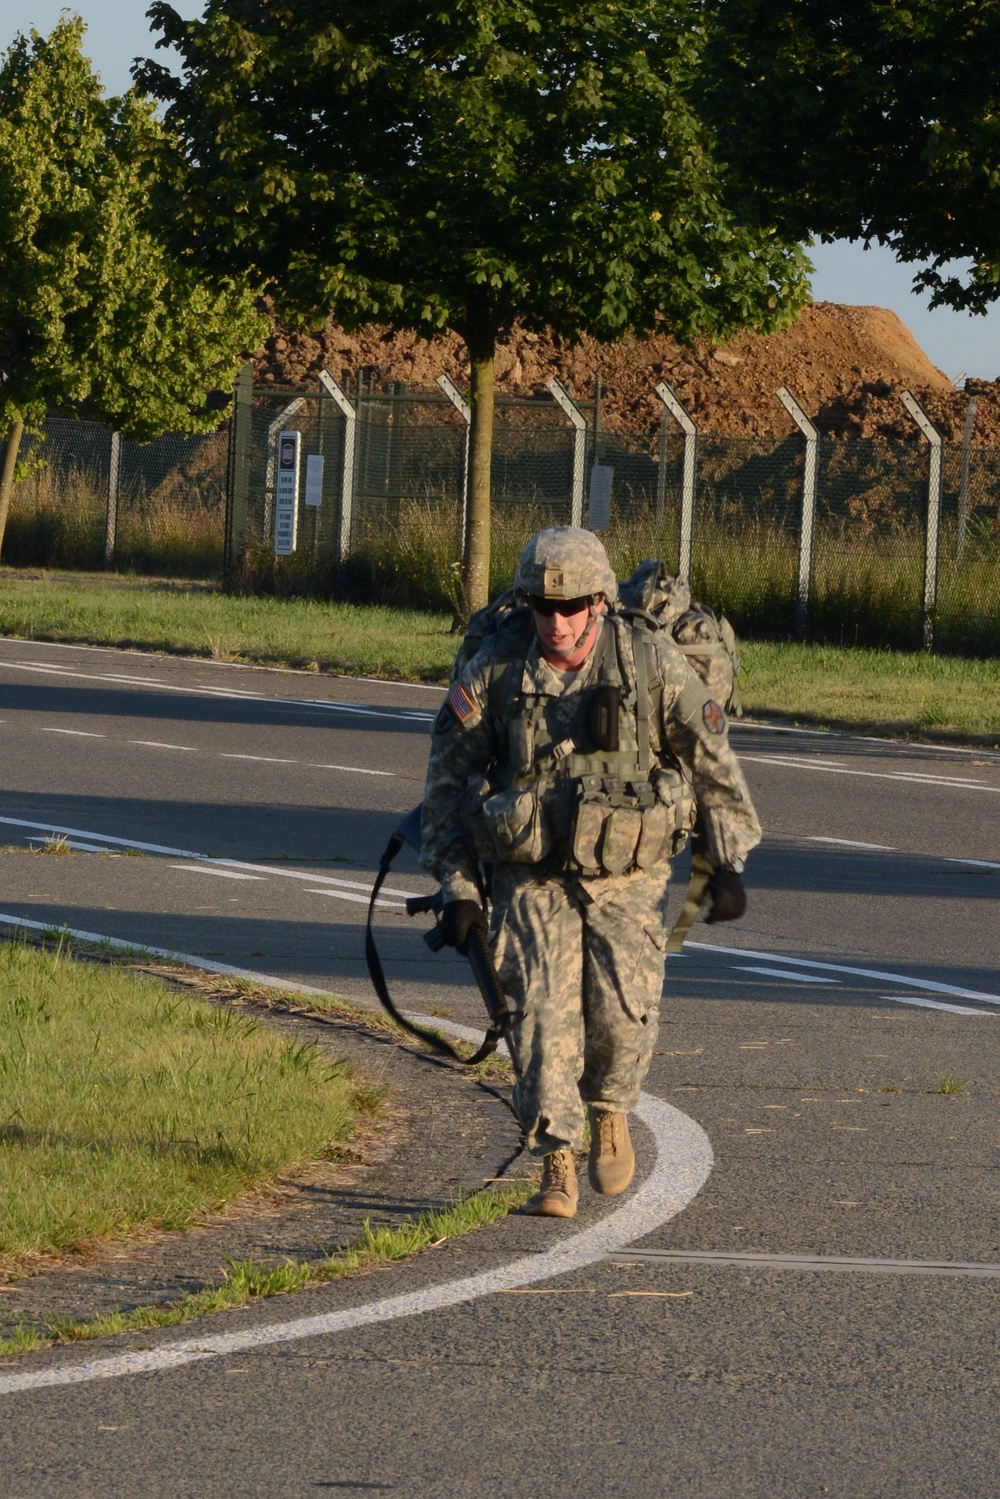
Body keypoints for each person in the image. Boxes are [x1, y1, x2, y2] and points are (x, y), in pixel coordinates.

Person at [420, 527, 760, 1218]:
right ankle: (555, 1165)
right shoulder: (496, 669)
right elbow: (446, 786)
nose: (558, 621)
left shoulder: (649, 661)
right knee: (540, 1015)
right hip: (531, 870)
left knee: (623, 1016)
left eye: (572, 606)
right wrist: (458, 890)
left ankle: (609, 1111)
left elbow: (712, 758)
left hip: (626, 870)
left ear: (600, 601)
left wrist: (725, 859)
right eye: (544, 608)